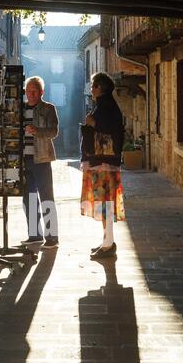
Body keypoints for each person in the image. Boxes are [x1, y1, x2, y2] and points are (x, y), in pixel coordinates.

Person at [80, 72, 125, 259]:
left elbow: (111, 130)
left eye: (93, 86)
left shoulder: (106, 106)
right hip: (102, 162)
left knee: (104, 202)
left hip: (103, 163)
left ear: (99, 88)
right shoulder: (106, 104)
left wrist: (93, 122)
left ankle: (108, 245)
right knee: (103, 202)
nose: (91, 89)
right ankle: (107, 241)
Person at [22, 76, 59, 249]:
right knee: (28, 198)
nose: (31, 94)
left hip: (42, 158)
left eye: (34, 91)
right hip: (23, 160)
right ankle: (34, 235)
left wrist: (37, 131)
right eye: (28, 91)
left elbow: (53, 131)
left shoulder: (48, 108)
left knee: (46, 196)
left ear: (41, 92)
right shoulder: (19, 109)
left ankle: (52, 237)